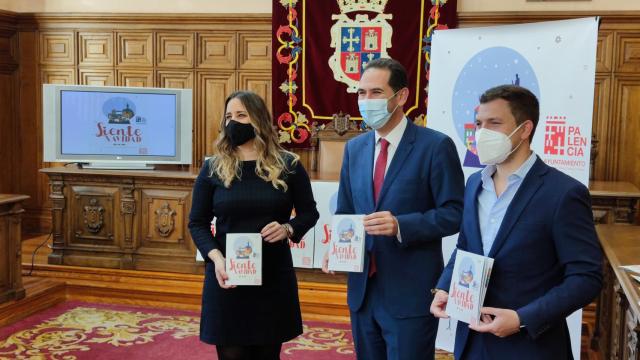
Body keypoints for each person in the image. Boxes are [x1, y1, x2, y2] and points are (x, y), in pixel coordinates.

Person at [430, 85, 602, 360]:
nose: (481, 133)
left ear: (524, 129)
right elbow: (466, 246)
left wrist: (522, 318)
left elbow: (586, 278)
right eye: (479, 124)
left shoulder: (564, 193)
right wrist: (445, 286)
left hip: (531, 347)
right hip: (472, 341)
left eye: (494, 123)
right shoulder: (475, 183)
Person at [322, 58, 465, 360]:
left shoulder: (435, 146)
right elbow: (346, 210)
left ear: (400, 96)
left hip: (409, 292)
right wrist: (337, 246)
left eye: (375, 92)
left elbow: (455, 212)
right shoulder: (355, 148)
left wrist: (401, 225)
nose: (365, 101)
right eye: (361, 93)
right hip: (362, 290)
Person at [189, 91, 319, 360]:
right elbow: (197, 223)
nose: (233, 122)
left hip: (272, 278)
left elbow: (309, 213)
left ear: (258, 119)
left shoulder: (289, 164)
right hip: (227, 278)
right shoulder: (212, 168)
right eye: (228, 117)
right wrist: (216, 260)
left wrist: (288, 229)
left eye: (241, 115)